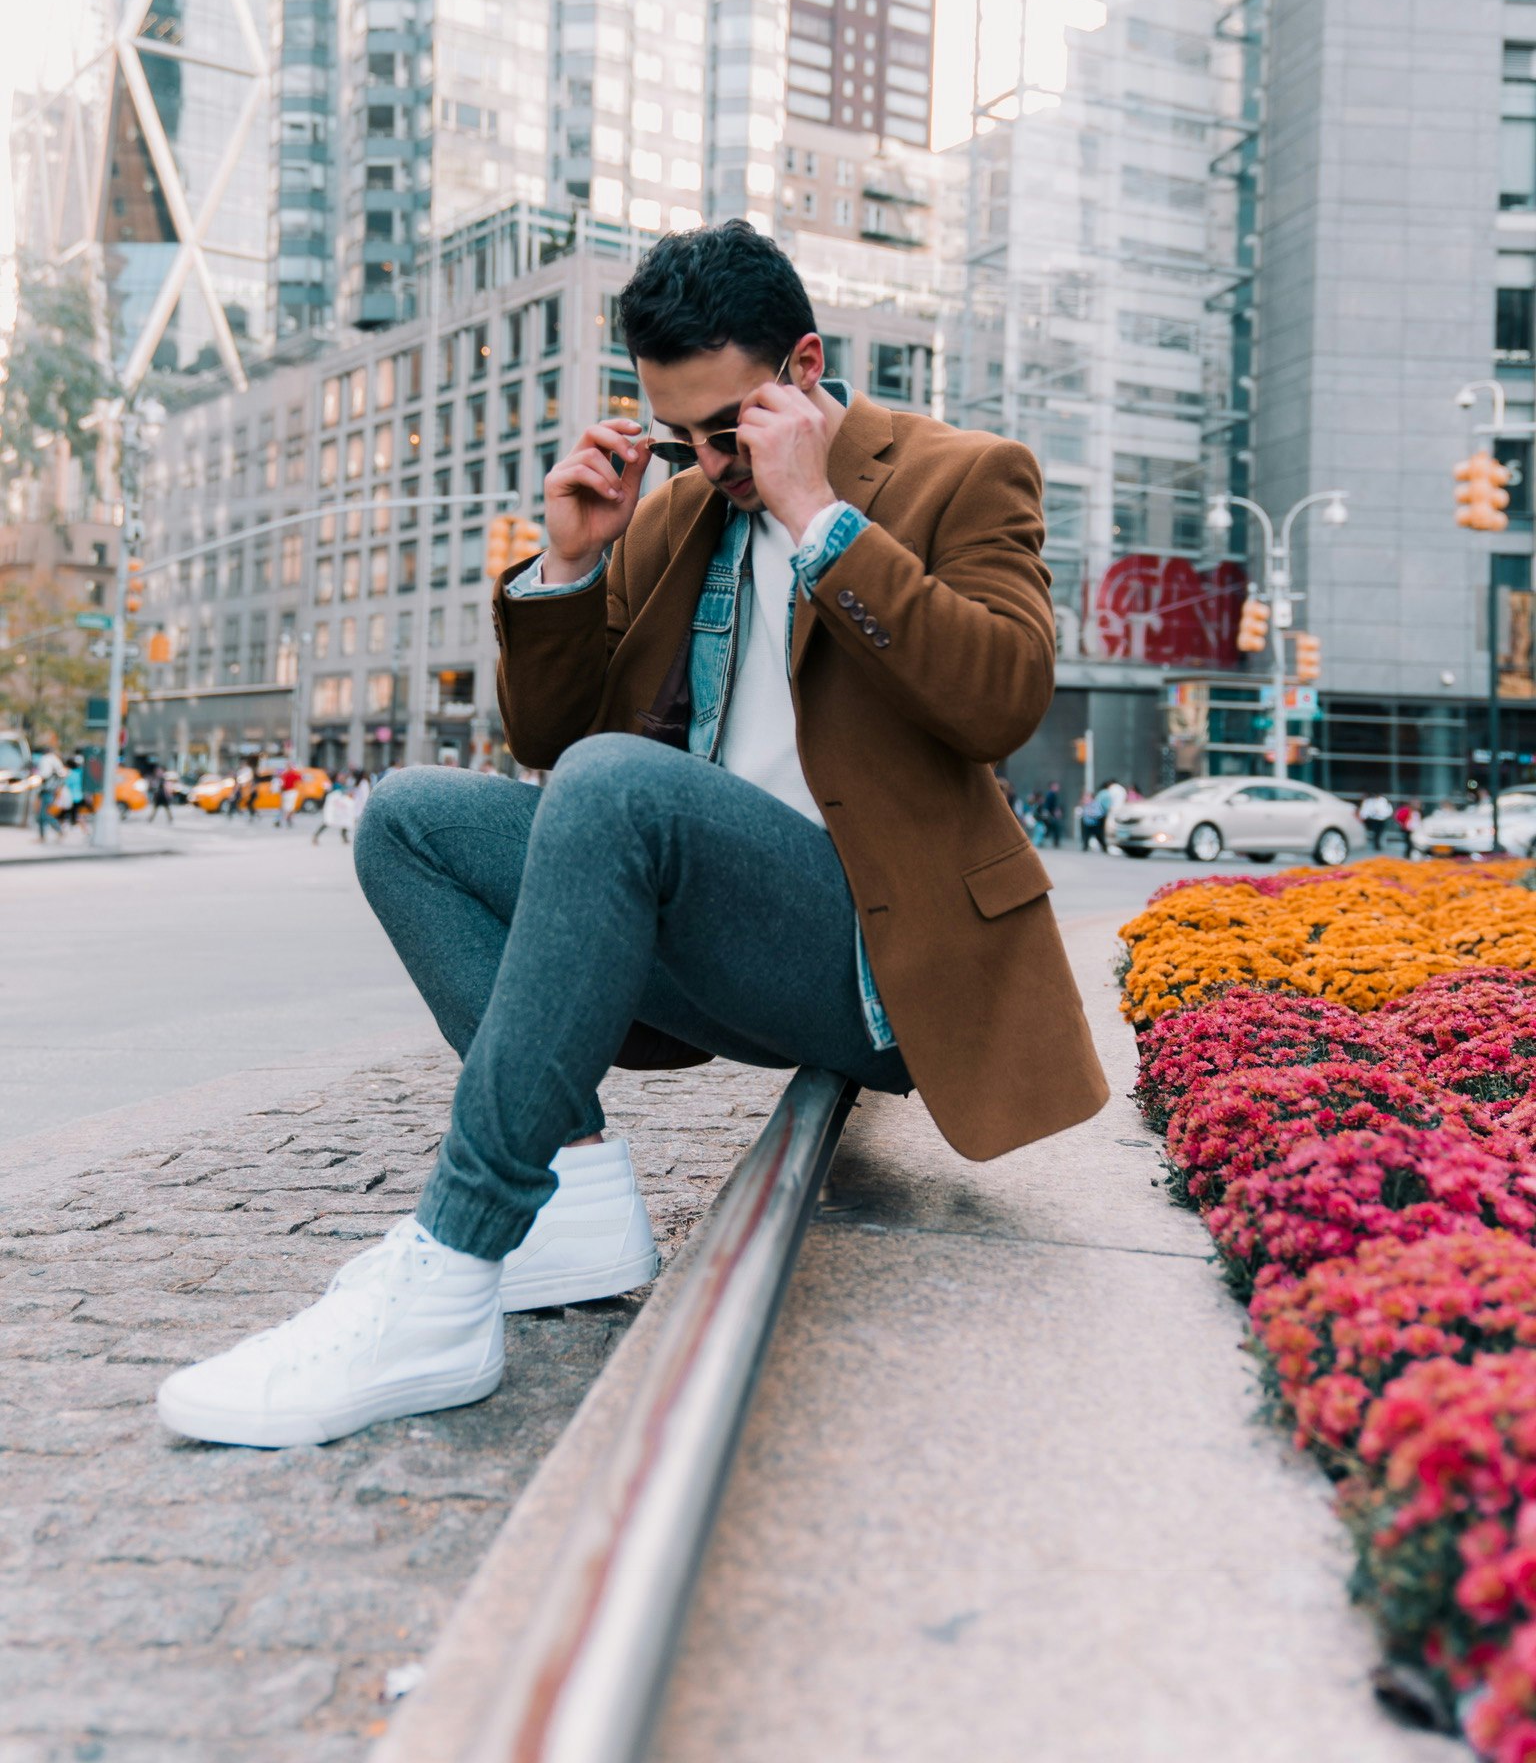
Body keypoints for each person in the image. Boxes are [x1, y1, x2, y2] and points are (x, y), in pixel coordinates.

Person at [157, 219, 1107, 1449]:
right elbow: (551, 748)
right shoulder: (677, 519)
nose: (709, 462)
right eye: (679, 437)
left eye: (730, 430)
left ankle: (452, 1265)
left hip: (880, 964)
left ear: (806, 370)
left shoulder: (961, 475)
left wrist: (820, 518)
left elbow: (1004, 700)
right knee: (406, 820)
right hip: (714, 938)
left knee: (617, 787)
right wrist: (567, 561)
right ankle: (580, 1197)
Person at [313, 777, 356, 847]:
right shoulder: (335, 785)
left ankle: (344, 837)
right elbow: (330, 794)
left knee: (345, 822)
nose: (342, 779)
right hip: (334, 807)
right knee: (328, 821)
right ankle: (316, 836)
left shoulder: (345, 786)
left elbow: (347, 796)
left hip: (340, 808)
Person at [278, 761, 303, 829]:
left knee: (290, 807)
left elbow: (300, 779)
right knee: (287, 807)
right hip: (287, 792)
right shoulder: (285, 774)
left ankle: (287, 819)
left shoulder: (289, 774)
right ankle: (287, 819)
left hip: (291, 791)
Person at [1041, 780, 1063, 849]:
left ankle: (1054, 842)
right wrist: (1056, 812)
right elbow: (1050, 806)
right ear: (1052, 787)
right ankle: (1055, 842)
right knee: (1054, 828)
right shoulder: (1051, 794)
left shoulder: (1051, 794)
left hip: (1049, 814)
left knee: (1051, 828)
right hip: (1050, 815)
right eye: (1056, 786)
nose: (1058, 787)